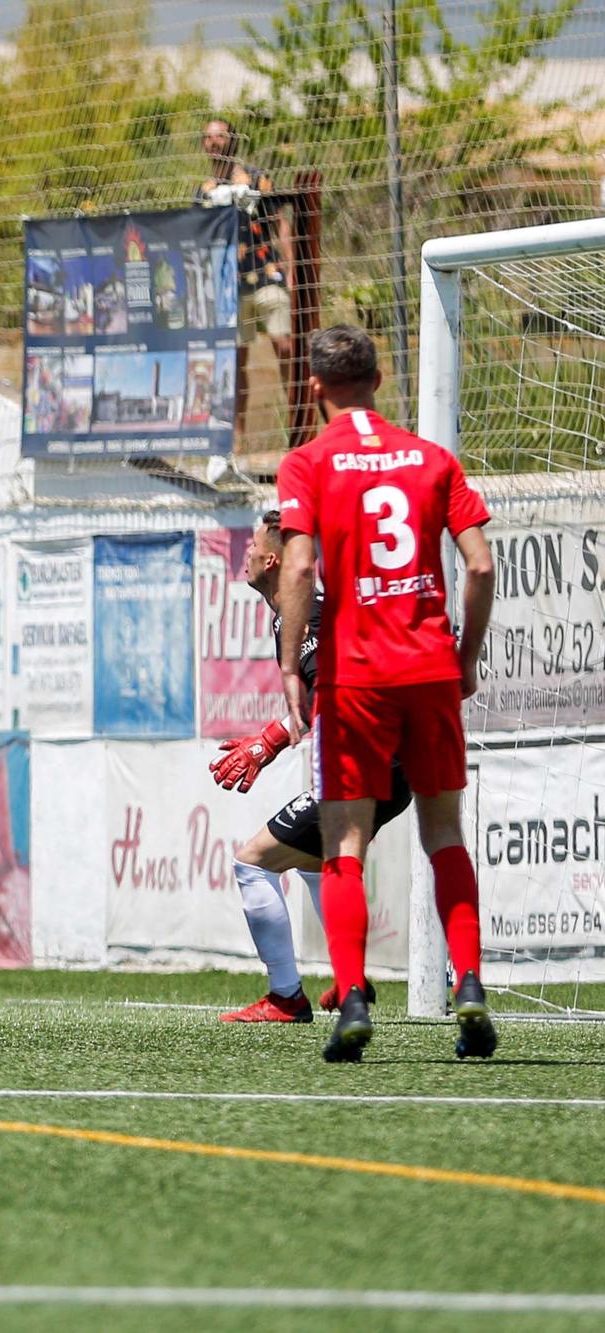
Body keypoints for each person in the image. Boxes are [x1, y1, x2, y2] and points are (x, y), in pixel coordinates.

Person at [274, 325, 498, 1064]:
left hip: (356, 674)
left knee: (345, 843)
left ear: (314, 389)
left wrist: (286, 666)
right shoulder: (434, 460)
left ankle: (354, 999)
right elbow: (482, 565)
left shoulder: (308, 463)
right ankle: (468, 985)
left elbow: (300, 567)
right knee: (444, 835)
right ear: (382, 377)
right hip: (430, 667)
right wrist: (463, 656)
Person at [207, 509, 409, 1024]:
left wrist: (270, 740)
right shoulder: (294, 615)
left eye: (252, 548)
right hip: (387, 764)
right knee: (313, 860)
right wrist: (271, 736)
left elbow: (336, 692)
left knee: (252, 861)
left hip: (372, 763)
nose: (245, 556)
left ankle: (285, 997)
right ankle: (350, 978)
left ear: (272, 560)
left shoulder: (309, 613)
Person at [197, 118, 295, 438]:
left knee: (285, 346)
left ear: (233, 140)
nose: (214, 142)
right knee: (236, 361)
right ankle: (237, 442)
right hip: (229, 287)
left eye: (220, 136)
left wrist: (291, 269)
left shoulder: (254, 177)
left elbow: (280, 222)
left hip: (268, 274)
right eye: (208, 137)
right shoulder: (205, 192)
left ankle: (298, 430)